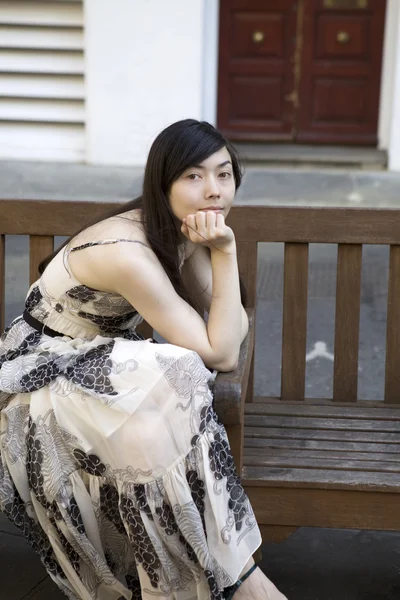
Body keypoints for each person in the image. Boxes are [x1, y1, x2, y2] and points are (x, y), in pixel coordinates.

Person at [0, 120, 287, 600]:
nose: (213, 191)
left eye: (223, 174)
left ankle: (197, 579)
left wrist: (217, 253)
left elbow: (228, 332)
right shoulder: (128, 253)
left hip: (100, 359)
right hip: (41, 371)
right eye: (193, 177)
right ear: (163, 183)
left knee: (171, 396)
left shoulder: (180, 227)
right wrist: (227, 249)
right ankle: (233, 579)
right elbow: (220, 348)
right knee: (181, 374)